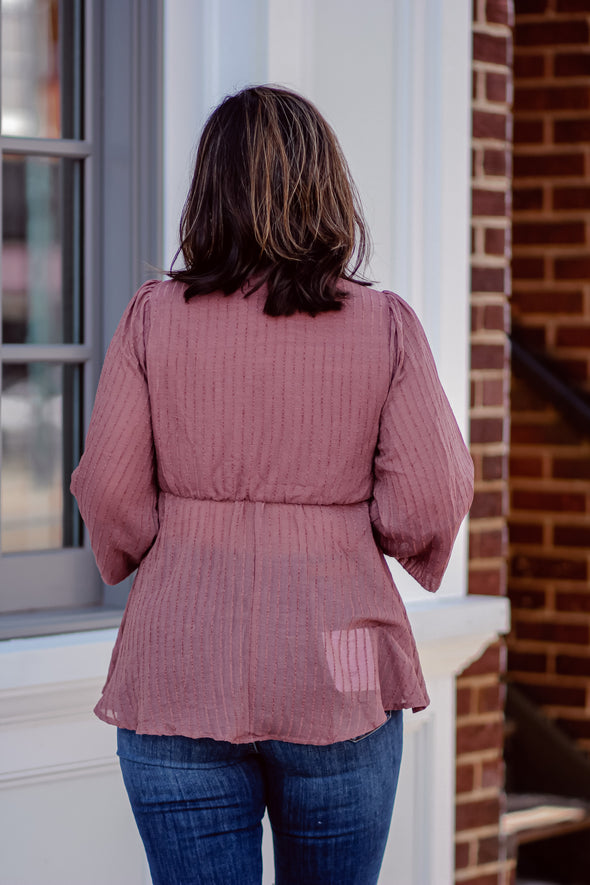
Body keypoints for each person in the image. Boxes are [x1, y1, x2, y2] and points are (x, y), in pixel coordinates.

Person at [71, 85, 474, 885]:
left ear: (208, 191)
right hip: (344, 659)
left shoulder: (153, 317)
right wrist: (366, 536)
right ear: (325, 186)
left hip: (179, 654)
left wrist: (179, 547)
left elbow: (110, 497)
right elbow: (430, 497)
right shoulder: (384, 322)